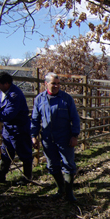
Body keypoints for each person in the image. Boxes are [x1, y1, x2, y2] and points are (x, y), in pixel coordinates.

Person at [30, 72, 81, 202]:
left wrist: (74, 135)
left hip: (64, 136)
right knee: (52, 164)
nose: (57, 86)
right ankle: (61, 189)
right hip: (47, 138)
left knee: (68, 164)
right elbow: (35, 119)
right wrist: (33, 136)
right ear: (46, 84)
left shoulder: (66, 99)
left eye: (58, 83)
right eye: (53, 83)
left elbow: (75, 118)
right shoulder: (39, 99)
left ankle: (69, 194)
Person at [0, 71, 34, 185]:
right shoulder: (5, 92)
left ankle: (27, 177)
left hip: (18, 129)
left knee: (24, 153)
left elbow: (8, 114)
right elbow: (3, 106)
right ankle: (1, 176)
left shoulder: (15, 95)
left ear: (7, 83)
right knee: (5, 153)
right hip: (9, 129)